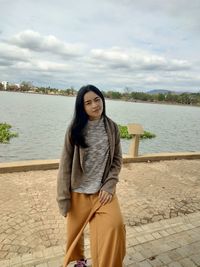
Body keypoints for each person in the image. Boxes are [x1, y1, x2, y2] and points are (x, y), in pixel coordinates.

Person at [57, 84, 126, 267]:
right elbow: (64, 165)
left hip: (102, 192)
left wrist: (110, 184)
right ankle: (80, 262)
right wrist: (63, 198)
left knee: (115, 227)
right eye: (88, 103)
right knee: (74, 236)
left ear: (102, 99)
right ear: (82, 107)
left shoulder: (112, 127)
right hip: (78, 192)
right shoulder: (74, 129)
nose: (95, 105)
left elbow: (117, 160)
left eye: (97, 99)